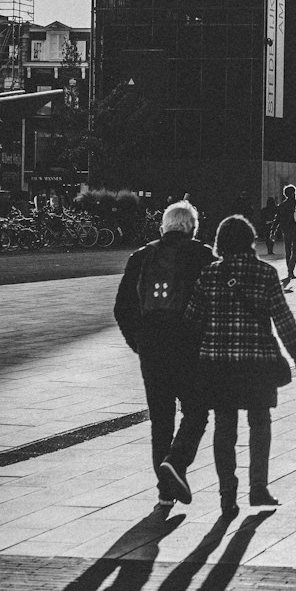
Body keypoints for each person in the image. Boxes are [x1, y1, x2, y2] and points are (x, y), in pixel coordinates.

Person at [183, 215, 296, 515]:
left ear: (221, 242)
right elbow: (284, 320)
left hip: (218, 366)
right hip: (257, 364)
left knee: (224, 427)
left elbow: (191, 323)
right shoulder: (265, 274)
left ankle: (227, 494)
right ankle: (258, 488)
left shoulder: (210, 274)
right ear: (250, 240)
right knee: (260, 424)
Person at [113, 199, 215, 512]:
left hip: (152, 349)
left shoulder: (141, 256)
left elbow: (122, 308)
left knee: (161, 419)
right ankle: (176, 461)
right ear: (193, 228)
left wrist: (139, 343)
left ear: (163, 226)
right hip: (188, 348)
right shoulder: (203, 255)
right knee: (196, 412)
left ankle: (165, 492)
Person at [275, 184, 296, 281]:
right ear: (293, 193)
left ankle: (289, 270)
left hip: (286, 231)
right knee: (295, 252)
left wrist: (273, 230)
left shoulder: (281, 205)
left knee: (288, 251)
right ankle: (291, 270)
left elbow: (277, 219)